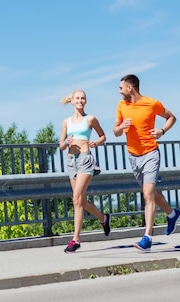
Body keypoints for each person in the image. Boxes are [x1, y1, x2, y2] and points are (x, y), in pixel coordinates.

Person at [112, 74, 180, 251]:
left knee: (147, 194)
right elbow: (115, 131)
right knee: (149, 192)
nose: (119, 91)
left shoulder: (152, 103)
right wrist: (121, 127)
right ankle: (172, 214)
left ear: (130, 88)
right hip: (133, 156)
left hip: (151, 153)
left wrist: (162, 131)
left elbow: (171, 117)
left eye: (121, 88)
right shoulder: (122, 105)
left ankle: (147, 238)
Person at [59, 89, 110, 253]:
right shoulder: (66, 122)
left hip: (85, 160)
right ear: (72, 101)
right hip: (71, 160)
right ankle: (103, 218)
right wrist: (67, 142)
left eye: (83, 98)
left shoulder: (90, 119)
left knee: (76, 198)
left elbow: (103, 136)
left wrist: (96, 142)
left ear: (85, 101)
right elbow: (60, 146)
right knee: (80, 201)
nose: (80, 101)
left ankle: (76, 239)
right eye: (78, 98)